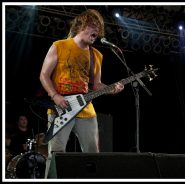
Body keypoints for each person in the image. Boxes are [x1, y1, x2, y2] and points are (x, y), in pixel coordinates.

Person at [39, 9, 124, 178]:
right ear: (81, 25)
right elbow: (43, 75)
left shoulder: (97, 55)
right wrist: (55, 96)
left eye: (99, 29)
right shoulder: (59, 46)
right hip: (61, 106)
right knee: (56, 154)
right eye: (94, 26)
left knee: (93, 155)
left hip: (86, 108)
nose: (97, 32)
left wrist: (111, 88)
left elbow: (96, 84)